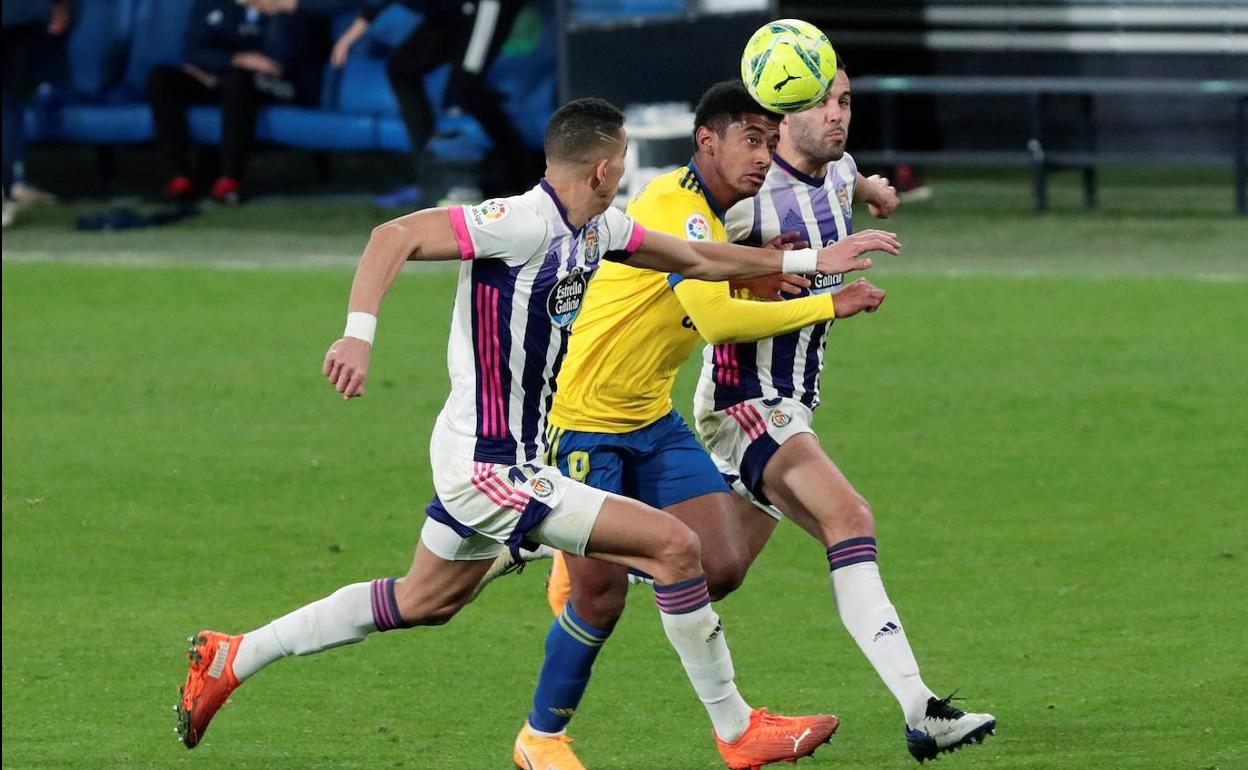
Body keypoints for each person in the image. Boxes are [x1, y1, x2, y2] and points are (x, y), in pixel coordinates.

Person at [174, 97, 885, 767]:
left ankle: (233, 658)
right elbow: (393, 234)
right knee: (675, 547)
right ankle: (737, 731)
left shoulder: (598, 230)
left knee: (423, 600)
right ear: (605, 170)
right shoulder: (516, 222)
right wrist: (358, 335)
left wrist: (804, 263)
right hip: (492, 467)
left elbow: (697, 259)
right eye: (624, 159)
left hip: (498, 457)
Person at [515, 80, 897, 770]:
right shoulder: (674, 202)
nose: (763, 155)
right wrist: (826, 304)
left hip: (651, 419)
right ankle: (541, 739)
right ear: (706, 141)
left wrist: (860, 188)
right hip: (579, 423)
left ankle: (587, 553)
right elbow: (717, 317)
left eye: (769, 141)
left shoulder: (718, 221)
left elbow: (718, 271)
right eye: (750, 139)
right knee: (598, 602)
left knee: (719, 563)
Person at [691, 66, 996, 762]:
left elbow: (845, 177)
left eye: (845, 101)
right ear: (782, 112)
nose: (837, 115)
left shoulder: (838, 169)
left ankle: (579, 548)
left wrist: (875, 190)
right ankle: (922, 709)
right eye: (822, 102)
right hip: (745, 402)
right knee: (849, 518)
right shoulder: (745, 195)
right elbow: (690, 267)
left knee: (716, 571)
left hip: (791, 404)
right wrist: (752, 271)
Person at [254, 0, 543, 204]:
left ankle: (525, 170)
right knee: (403, 68)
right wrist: (346, 40)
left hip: (485, 4)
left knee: (465, 85)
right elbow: (370, 5)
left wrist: (293, 4)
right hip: (449, 12)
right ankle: (432, 168)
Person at [147, 0, 322, 204]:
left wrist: (230, 67)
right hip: (217, 77)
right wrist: (232, 60)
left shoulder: (281, 6)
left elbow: (276, 62)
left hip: (271, 86)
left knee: (239, 82)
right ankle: (179, 177)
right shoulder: (212, 5)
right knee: (161, 79)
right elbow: (194, 50)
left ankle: (230, 180)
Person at [2, 0, 71, 227]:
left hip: (24, 24)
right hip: (27, 21)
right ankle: (10, 186)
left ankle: (10, 186)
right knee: (9, 105)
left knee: (9, 104)